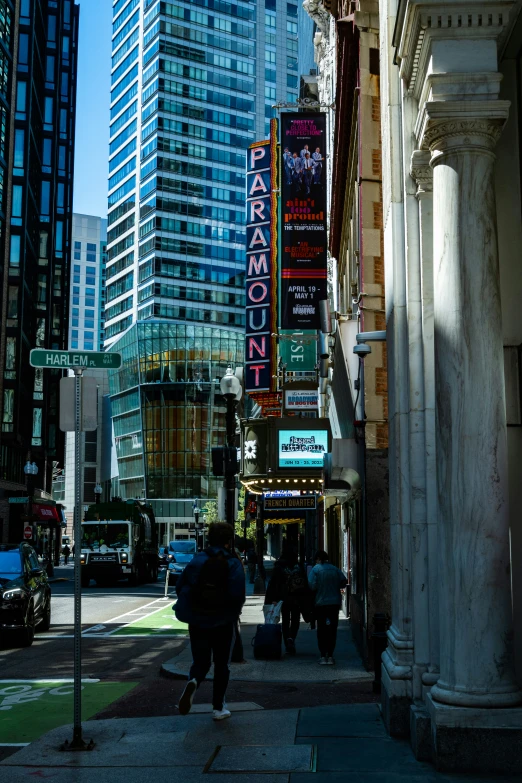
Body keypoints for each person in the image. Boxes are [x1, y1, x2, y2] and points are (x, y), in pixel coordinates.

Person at [175, 522, 245, 721]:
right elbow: (237, 593)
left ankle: (194, 680)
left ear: (209, 538)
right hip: (223, 620)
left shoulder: (198, 560)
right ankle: (218, 708)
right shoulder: (232, 562)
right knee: (222, 664)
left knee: (201, 660)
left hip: (197, 619)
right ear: (228, 540)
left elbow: (181, 586)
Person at [265, 543, 308, 655]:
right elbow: (305, 582)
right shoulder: (298, 566)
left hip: (283, 598)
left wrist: (272, 599)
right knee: (295, 619)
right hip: (297, 597)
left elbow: (273, 584)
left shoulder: (279, 567)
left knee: (285, 620)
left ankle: (286, 641)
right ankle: (291, 638)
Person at [308, 550, 347, 665]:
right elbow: (343, 581)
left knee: (322, 629)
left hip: (321, 604)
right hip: (334, 603)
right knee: (332, 629)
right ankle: (330, 655)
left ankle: (322, 655)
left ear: (318, 559)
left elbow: (312, 586)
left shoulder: (315, 569)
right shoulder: (335, 569)